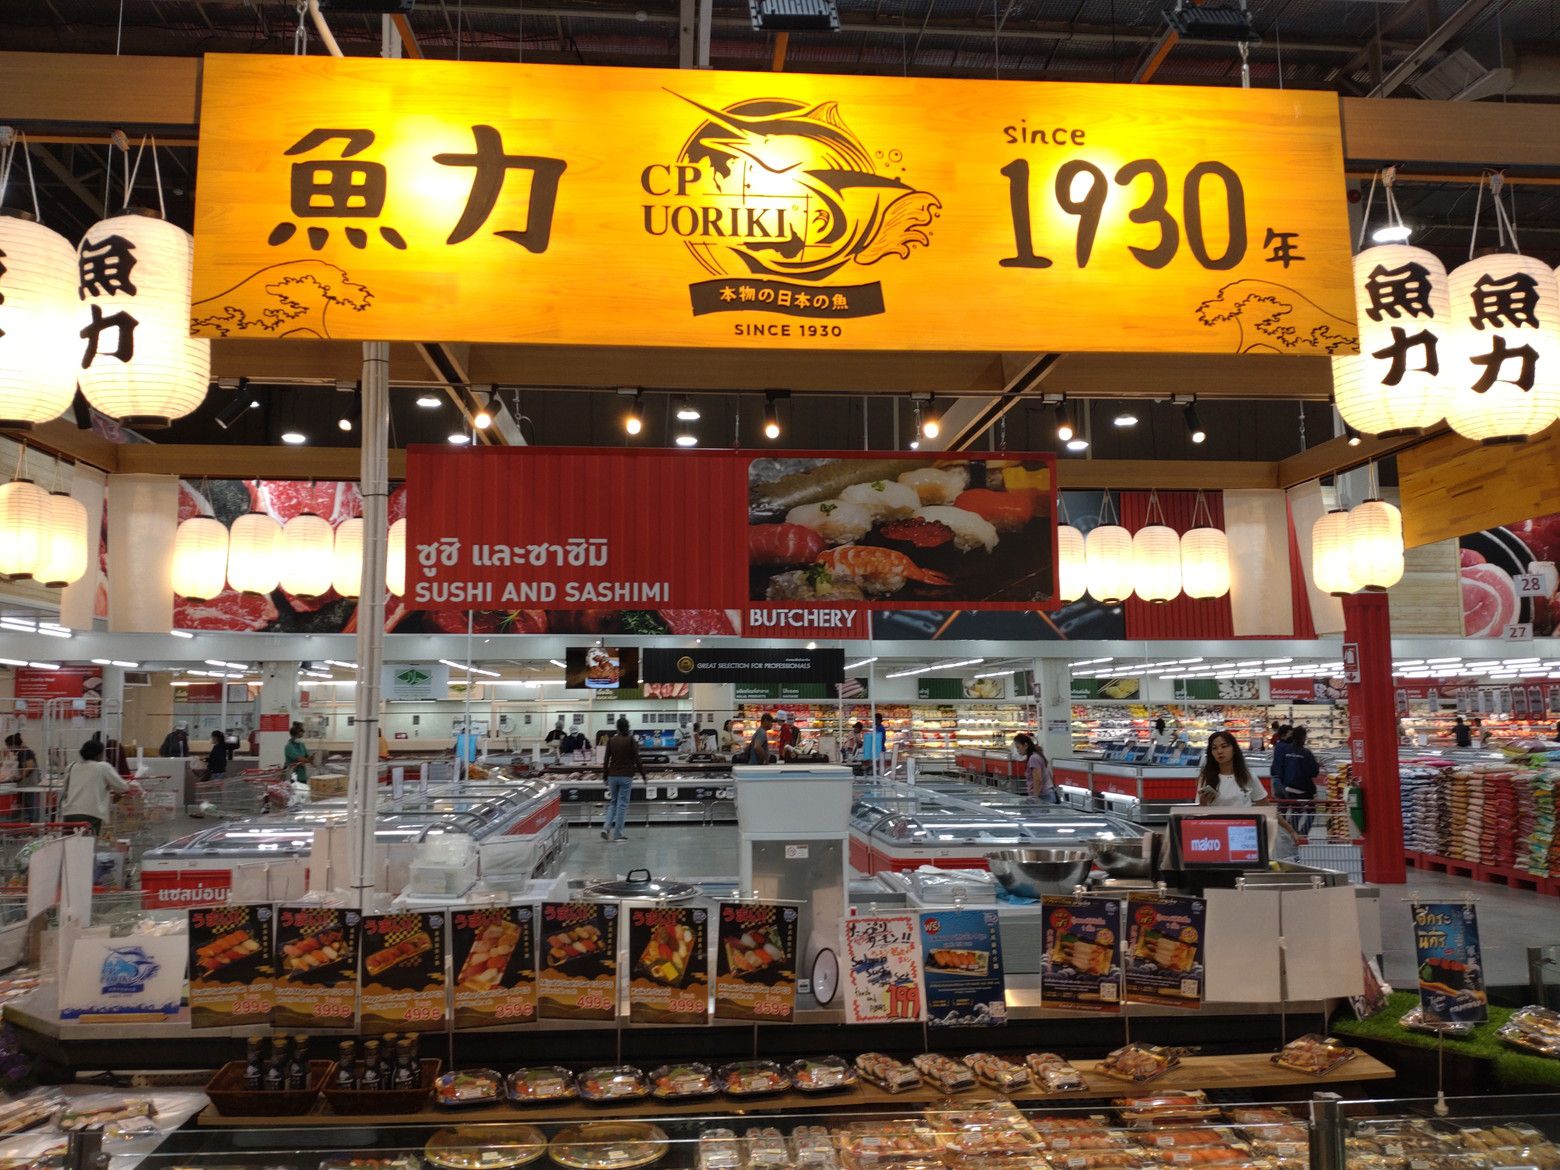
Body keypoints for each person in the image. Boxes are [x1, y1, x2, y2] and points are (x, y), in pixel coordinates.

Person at [60, 739, 129, 836]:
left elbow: (65, 789)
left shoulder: (71, 766)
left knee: (68, 844)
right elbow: (123, 787)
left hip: (69, 814)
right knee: (88, 844)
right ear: (99, 754)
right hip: (91, 815)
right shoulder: (103, 767)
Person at [1196, 731, 1275, 809]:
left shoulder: (1248, 776)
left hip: (1244, 817)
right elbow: (1200, 810)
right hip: (1215, 818)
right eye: (1214, 748)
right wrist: (1203, 802)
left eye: (1224, 746)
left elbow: (1264, 804)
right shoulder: (1206, 777)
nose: (1219, 751)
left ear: (1234, 749)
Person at [601, 716, 647, 842]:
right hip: (626, 776)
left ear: (617, 728)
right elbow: (637, 759)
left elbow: (606, 760)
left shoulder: (611, 741)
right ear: (627, 727)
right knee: (622, 805)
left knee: (613, 803)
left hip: (612, 776)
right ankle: (618, 834)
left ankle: (606, 827)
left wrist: (604, 776)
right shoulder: (630, 740)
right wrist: (643, 775)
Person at [1276, 726, 1320, 835]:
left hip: (1287, 787)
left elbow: (1279, 767)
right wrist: (1317, 765)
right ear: (1303, 737)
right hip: (1303, 789)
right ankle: (1302, 834)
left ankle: (1294, 834)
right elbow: (1314, 772)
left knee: (1296, 810)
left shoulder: (1285, 750)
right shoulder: (1306, 753)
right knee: (1311, 812)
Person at [3, 733, 38, 823]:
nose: (9, 749)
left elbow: (30, 766)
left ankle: (34, 826)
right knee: (26, 807)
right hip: (24, 784)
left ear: (13, 745)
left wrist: (20, 777)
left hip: (29, 785)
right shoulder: (21, 753)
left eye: (9, 747)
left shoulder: (26, 752)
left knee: (31, 807)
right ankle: (29, 824)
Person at [1014, 733, 1056, 803]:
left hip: (1043, 796)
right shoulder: (1036, 755)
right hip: (1046, 794)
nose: (1017, 750)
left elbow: (1038, 780)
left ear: (1025, 745)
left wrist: (1035, 798)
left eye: (1018, 747)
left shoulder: (1033, 758)